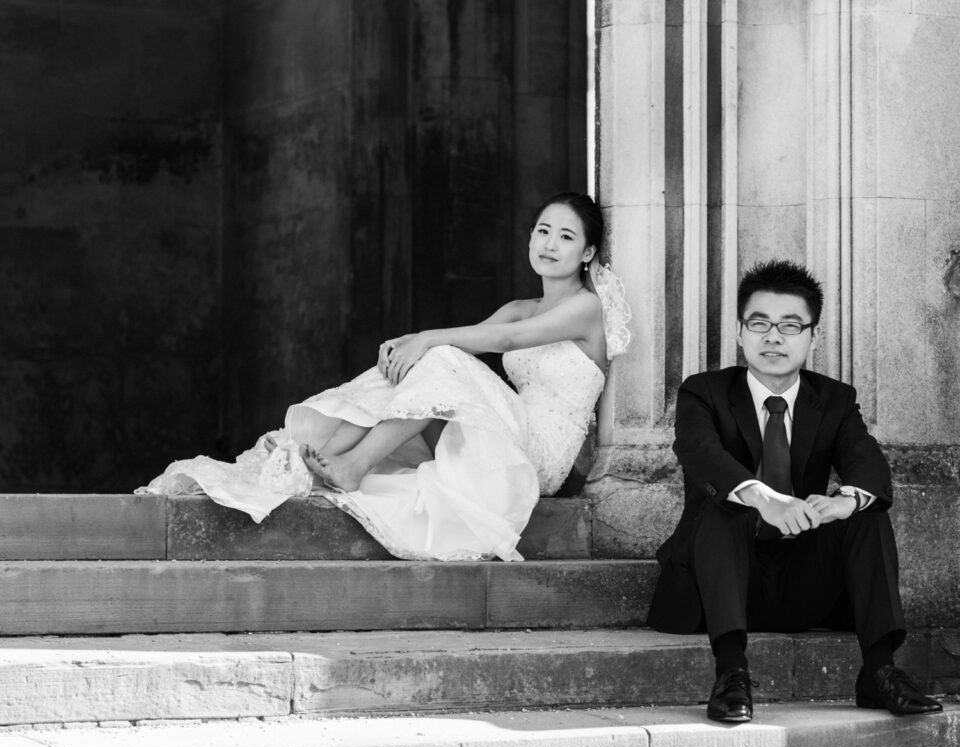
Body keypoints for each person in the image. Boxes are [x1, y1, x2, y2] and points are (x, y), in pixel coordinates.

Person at [140, 192, 631, 561]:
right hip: (504, 435)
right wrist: (416, 347)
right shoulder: (520, 306)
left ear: (586, 254)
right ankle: (329, 449)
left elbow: (501, 343)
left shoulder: (586, 309)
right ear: (530, 236)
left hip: (537, 457)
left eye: (566, 238)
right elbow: (464, 343)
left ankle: (351, 465)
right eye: (543, 231)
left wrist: (423, 337)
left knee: (438, 355)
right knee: (429, 359)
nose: (549, 244)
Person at [645, 259, 940, 723]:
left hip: (802, 579)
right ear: (740, 333)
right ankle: (731, 674)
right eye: (759, 324)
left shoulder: (835, 399)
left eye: (789, 325)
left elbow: (868, 462)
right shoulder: (704, 392)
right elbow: (699, 451)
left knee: (867, 514)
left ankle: (879, 671)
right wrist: (763, 496)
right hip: (720, 582)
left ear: (812, 337)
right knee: (727, 507)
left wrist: (843, 502)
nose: (773, 337)